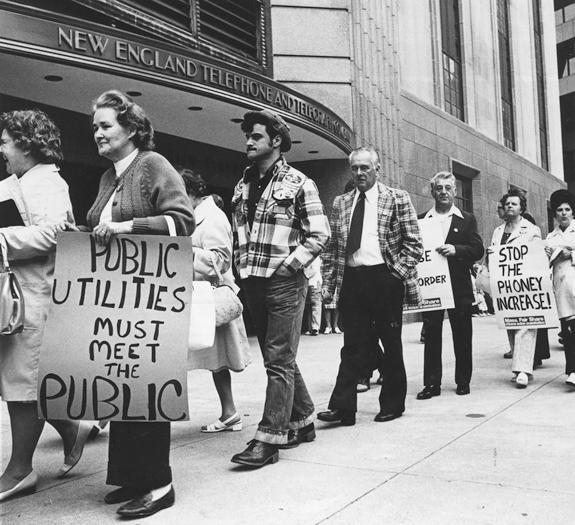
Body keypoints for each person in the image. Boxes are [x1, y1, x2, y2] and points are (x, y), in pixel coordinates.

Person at [60, 91, 194, 517]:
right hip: (118, 302)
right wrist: (80, 230)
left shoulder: (153, 165)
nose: (97, 133)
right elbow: (101, 227)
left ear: (132, 129)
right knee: (123, 389)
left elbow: (182, 221)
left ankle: (159, 484)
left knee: (148, 390)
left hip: (150, 302)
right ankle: (132, 477)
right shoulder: (107, 177)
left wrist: (125, 226)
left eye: (105, 126)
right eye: (94, 127)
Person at [0, 110, 92, 502]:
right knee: (20, 380)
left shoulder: (49, 183)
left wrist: (2, 237)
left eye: (5, 141)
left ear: (25, 143)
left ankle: (20, 471)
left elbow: (54, 234)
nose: (1, 148)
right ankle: (73, 428)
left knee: (23, 385)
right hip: (18, 294)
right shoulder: (17, 182)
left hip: (36, 297)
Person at [230, 109, 330, 467]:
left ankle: (269, 438)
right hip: (252, 280)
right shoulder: (243, 184)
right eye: (248, 137)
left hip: (285, 282)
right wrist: (239, 272)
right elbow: (238, 233)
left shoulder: (300, 182)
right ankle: (303, 422)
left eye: (256, 136)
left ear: (275, 140)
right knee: (281, 357)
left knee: (277, 360)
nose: (248, 142)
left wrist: (290, 266)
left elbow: (320, 233)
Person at [318, 146, 423, 425]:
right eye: (354, 168)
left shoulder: (397, 198)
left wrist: (394, 276)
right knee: (351, 344)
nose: (359, 173)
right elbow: (333, 247)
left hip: (384, 279)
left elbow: (414, 244)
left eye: (365, 168)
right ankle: (343, 408)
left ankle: (392, 404)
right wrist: (328, 284)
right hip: (353, 279)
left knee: (390, 343)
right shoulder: (341, 202)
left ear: (377, 169)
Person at [180, 169, 251, 432]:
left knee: (218, 361)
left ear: (192, 192)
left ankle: (230, 412)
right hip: (195, 298)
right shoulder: (194, 217)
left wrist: (183, 249)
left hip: (208, 300)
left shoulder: (213, 218)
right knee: (216, 361)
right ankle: (229, 412)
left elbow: (220, 260)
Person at [416, 171, 484, 400]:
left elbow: (477, 250)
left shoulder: (467, 219)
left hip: (459, 286)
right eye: (439, 188)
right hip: (432, 287)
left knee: (462, 335)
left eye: (448, 188)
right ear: (432, 191)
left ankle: (463, 380)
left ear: (455, 191)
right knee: (432, 335)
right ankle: (432, 384)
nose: (443, 192)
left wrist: (457, 251)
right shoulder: (422, 220)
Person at [489, 188, 541, 388]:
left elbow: (537, 255)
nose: (510, 206)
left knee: (525, 326)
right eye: (508, 203)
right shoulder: (498, 231)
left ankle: (523, 371)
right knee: (511, 325)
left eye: (514, 204)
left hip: (525, 286)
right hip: (505, 286)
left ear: (521, 208)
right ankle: (521, 366)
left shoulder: (530, 229)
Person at [545, 189, 575, 388]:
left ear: (573, 212)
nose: (563, 213)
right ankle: (572, 370)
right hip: (562, 289)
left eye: (567, 209)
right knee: (569, 332)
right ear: (554, 214)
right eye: (559, 210)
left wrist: (571, 254)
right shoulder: (550, 237)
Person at [304, 255, 322, 335]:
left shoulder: (315, 257)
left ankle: (315, 327)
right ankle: (310, 327)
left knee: (316, 304)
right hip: (307, 283)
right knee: (308, 306)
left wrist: (304, 275)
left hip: (315, 282)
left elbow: (314, 269)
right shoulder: (305, 256)